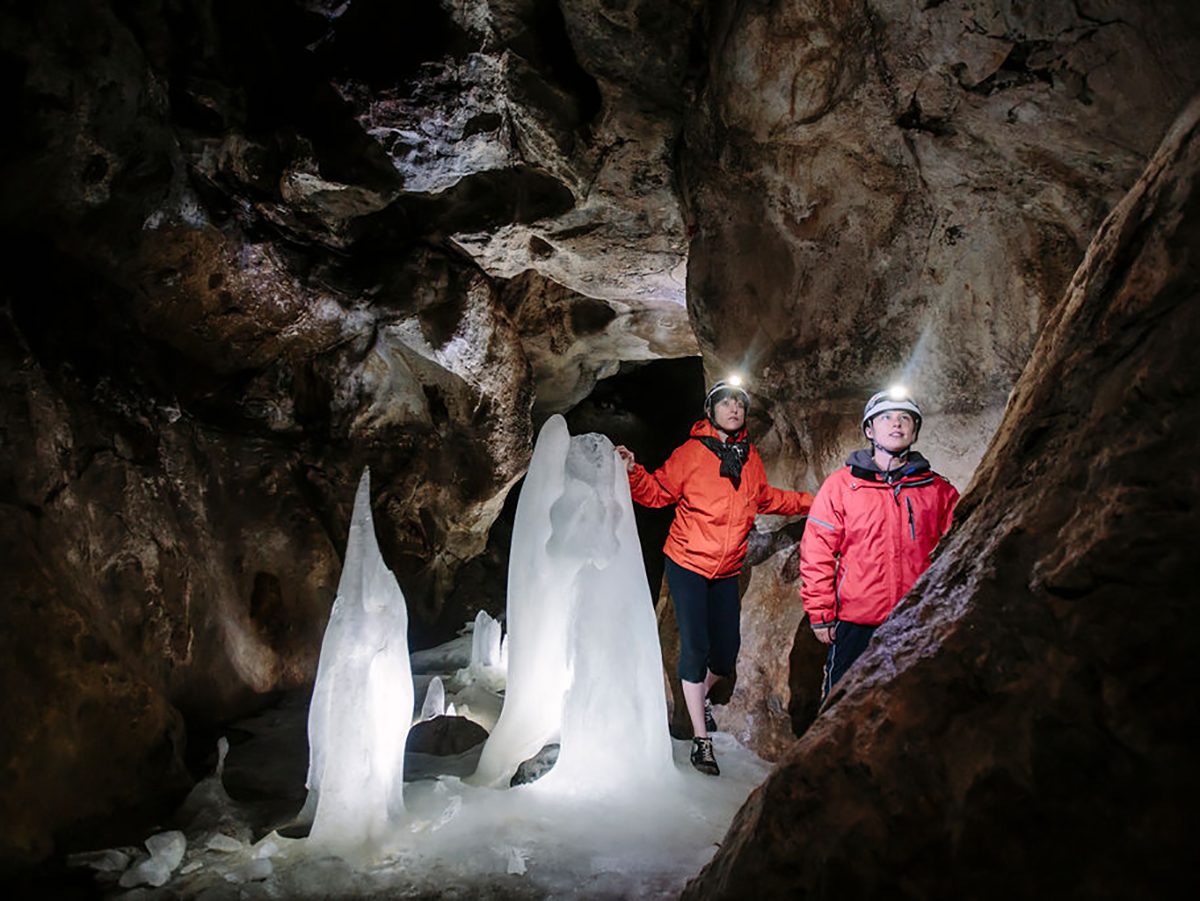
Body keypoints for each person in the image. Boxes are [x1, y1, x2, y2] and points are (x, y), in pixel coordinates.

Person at [616, 378, 813, 776]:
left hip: (726, 568)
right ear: (711, 412)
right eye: (725, 404)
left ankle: (699, 695)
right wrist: (635, 471)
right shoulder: (691, 453)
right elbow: (656, 493)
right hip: (687, 562)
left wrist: (816, 500)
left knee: (724, 654)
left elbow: (768, 498)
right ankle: (700, 740)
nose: (734, 409)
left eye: (739, 404)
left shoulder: (749, 456)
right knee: (695, 646)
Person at [800, 386, 959, 698]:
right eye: (885, 417)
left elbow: (958, 552)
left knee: (915, 705)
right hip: (856, 622)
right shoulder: (842, 487)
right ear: (870, 430)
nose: (896, 424)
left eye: (904, 418)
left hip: (917, 620)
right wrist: (822, 614)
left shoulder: (938, 491)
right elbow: (816, 550)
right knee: (841, 707)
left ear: (915, 430)